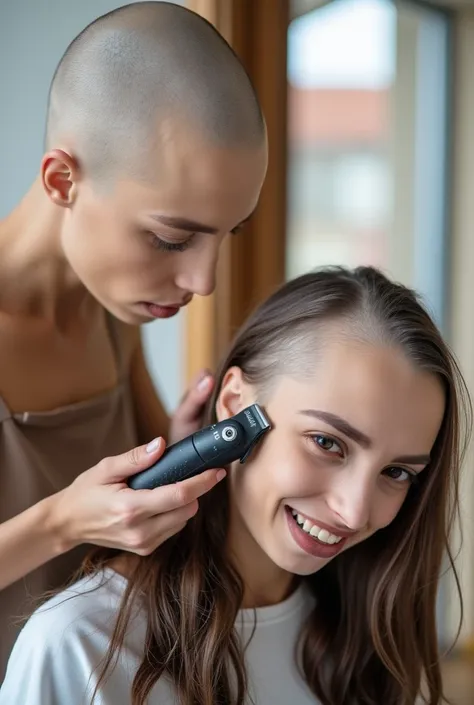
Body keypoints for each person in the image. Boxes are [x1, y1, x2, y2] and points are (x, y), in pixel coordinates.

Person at [0, 265, 468, 705]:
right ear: (233, 403)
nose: (353, 511)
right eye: (327, 442)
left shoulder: (371, 641)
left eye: (397, 472)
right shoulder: (81, 645)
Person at [0, 0, 268, 678]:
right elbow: (76, 522)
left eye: (223, 235)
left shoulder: (115, 310)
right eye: (171, 238)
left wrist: (177, 457)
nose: (202, 280)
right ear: (63, 180)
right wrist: (62, 520)